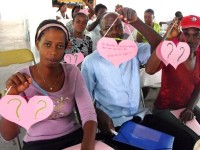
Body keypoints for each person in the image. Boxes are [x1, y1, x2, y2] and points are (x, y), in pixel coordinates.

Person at [0, 19, 97, 150]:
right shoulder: (21, 80)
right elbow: (8, 135)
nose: (53, 52)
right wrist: (12, 97)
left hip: (73, 137)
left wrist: (87, 147)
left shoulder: (72, 72)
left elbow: (88, 114)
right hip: (38, 143)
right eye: (47, 44)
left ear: (65, 47)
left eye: (60, 46)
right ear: (37, 44)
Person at [81, 8, 163, 149]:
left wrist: (137, 22)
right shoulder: (91, 61)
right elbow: (85, 100)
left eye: (118, 27)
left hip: (139, 117)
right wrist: (98, 114)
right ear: (101, 33)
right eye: (108, 28)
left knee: (167, 143)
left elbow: (160, 47)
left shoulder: (133, 50)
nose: (114, 32)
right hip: (113, 122)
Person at [145, 15, 200, 149]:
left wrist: (190, 107)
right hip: (164, 108)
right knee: (192, 139)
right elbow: (149, 70)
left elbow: (198, 85)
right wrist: (166, 41)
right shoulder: (171, 52)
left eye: (196, 35)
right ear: (180, 35)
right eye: (187, 34)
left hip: (186, 106)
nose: (191, 40)